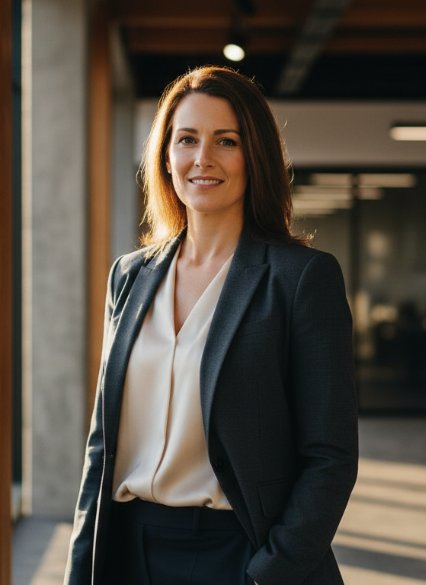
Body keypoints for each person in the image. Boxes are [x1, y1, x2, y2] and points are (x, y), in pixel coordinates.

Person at [65, 65, 357, 585]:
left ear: (256, 156)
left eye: (226, 141)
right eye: (186, 140)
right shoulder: (130, 276)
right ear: (166, 156)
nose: (203, 159)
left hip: (238, 554)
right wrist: (80, 568)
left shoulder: (300, 279)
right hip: (129, 550)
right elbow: (101, 445)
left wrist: (268, 573)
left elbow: (330, 457)